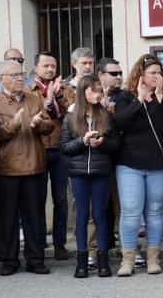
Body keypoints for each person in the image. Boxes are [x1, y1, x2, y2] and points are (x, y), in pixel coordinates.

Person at [0, 60, 55, 276]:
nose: (19, 78)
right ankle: (9, 260)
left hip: (35, 166)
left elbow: (50, 125)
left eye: (21, 74)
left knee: (34, 216)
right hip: (7, 168)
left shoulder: (34, 99)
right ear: (2, 78)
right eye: (14, 75)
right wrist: (13, 124)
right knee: (7, 218)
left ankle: (35, 260)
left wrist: (39, 124)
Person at [113, 54, 163, 276]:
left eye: (159, 73)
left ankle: (153, 258)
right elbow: (120, 122)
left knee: (154, 213)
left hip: (157, 164)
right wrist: (141, 99)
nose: (157, 76)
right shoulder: (126, 97)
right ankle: (128, 259)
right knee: (131, 212)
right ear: (140, 75)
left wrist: (159, 98)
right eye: (152, 73)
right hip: (130, 164)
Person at [60, 75, 120, 278]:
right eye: (93, 90)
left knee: (100, 215)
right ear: (83, 92)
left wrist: (102, 142)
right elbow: (65, 147)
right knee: (82, 215)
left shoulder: (105, 115)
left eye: (99, 90)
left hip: (101, 171)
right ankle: (82, 261)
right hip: (78, 173)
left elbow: (116, 146)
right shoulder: (71, 117)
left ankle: (103, 261)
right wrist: (83, 141)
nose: (98, 94)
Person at [28, 51, 75, 261]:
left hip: (60, 148)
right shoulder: (28, 91)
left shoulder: (66, 90)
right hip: (35, 149)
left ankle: (59, 244)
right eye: (45, 65)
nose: (50, 69)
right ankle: (38, 244)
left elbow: (71, 114)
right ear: (35, 68)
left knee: (60, 198)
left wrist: (56, 96)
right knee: (37, 198)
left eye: (53, 66)